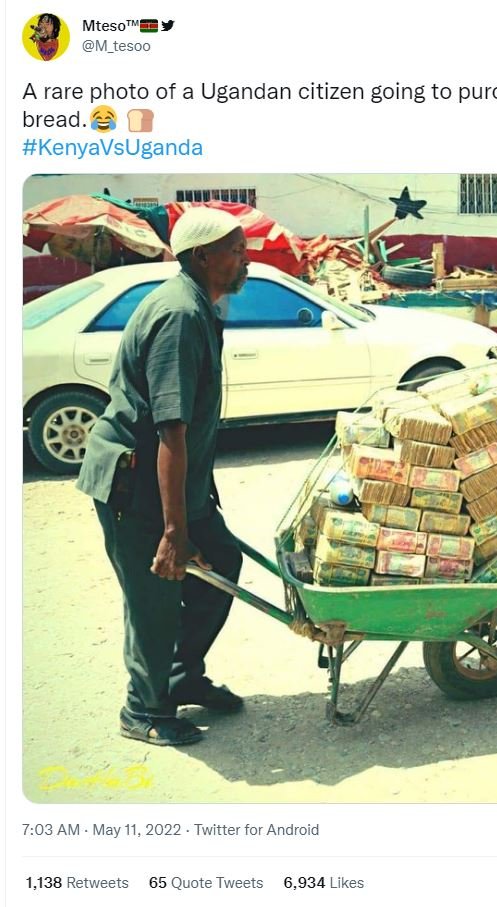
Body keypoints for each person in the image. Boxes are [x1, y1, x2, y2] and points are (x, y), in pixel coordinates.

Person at [77, 206, 250, 746]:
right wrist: (175, 533)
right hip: (136, 483)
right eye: (235, 250)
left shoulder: (199, 305)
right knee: (155, 596)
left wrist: (198, 508)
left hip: (172, 483)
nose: (245, 258)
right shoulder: (179, 316)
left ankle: (180, 676)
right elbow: (170, 432)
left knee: (221, 560)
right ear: (202, 256)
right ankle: (144, 709)